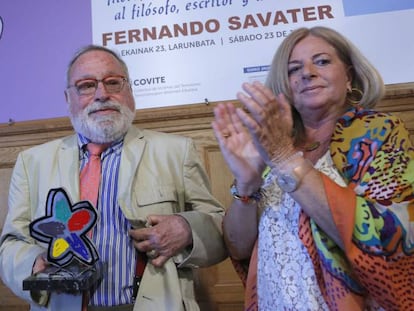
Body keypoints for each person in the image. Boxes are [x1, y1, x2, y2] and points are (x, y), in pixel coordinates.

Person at [0, 44, 227, 311]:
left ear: (130, 90)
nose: (102, 94)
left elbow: (219, 228)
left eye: (113, 82)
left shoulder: (176, 151)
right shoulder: (32, 162)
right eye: (86, 85)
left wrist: (188, 229)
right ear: (67, 98)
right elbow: (11, 244)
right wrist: (33, 262)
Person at [212, 26, 414, 310]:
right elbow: (239, 247)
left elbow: (391, 239)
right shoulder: (274, 144)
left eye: (322, 61)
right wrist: (246, 184)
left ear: (349, 75)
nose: (307, 72)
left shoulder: (381, 133)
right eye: (294, 69)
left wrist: (285, 160)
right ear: (286, 85)